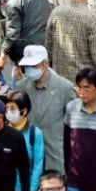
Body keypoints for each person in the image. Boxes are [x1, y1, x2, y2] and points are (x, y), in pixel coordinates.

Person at [18, 45, 74, 175]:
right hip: (29, 156)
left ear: (46, 64)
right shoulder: (21, 87)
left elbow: (73, 124)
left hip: (55, 156)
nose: (30, 70)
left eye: (34, 66)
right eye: (27, 67)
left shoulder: (65, 87)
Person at [44, 0, 96, 84]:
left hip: (59, 76)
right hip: (84, 80)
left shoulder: (56, 12)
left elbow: (48, 44)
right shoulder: (91, 18)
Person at [4, 90, 44, 191]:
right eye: (7, 108)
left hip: (25, 189)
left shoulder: (35, 134)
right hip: (5, 189)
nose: (8, 112)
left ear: (24, 111)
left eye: (12, 108)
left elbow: (38, 165)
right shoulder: (3, 131)